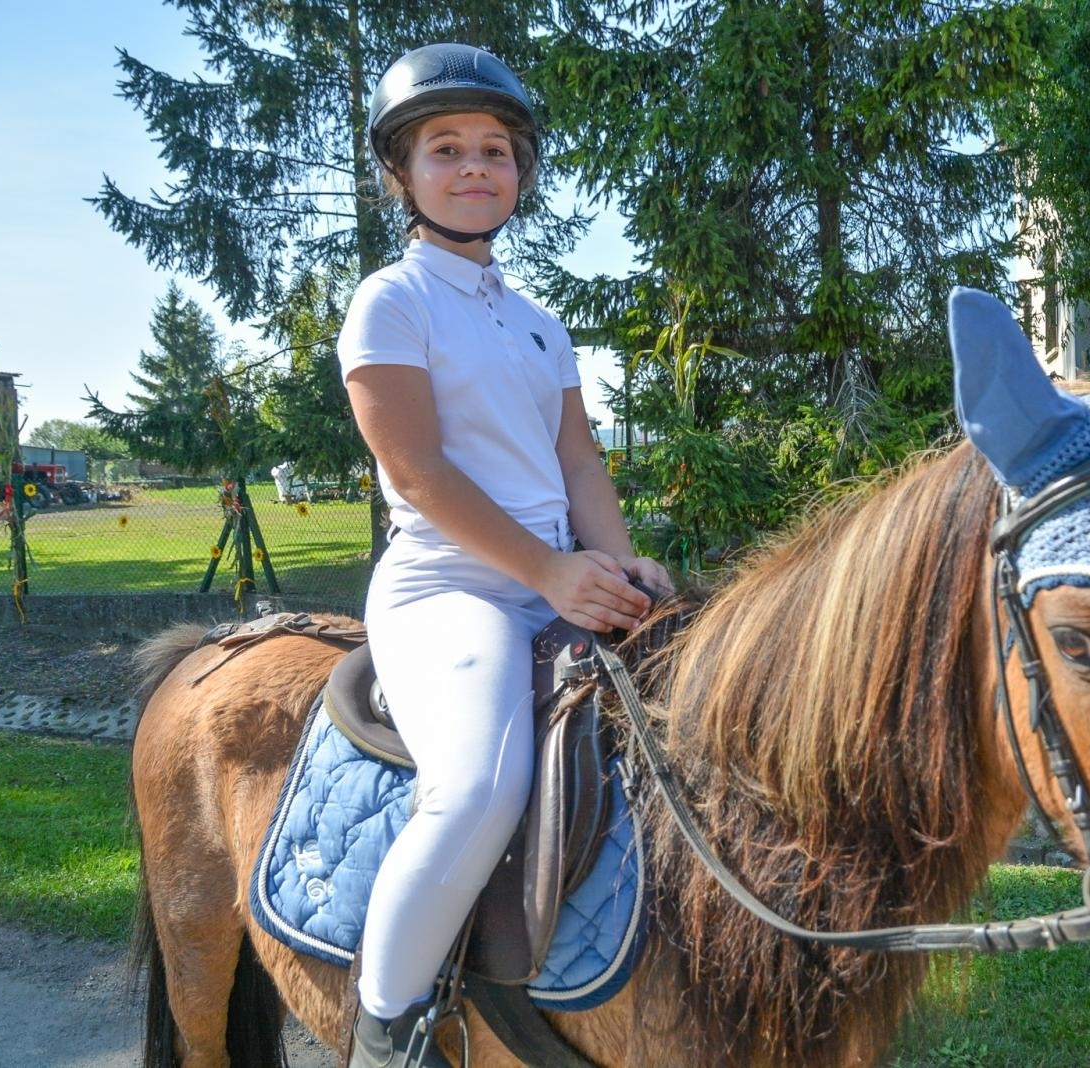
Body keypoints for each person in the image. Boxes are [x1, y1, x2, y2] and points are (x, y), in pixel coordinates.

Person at [337, 43, 671, 1067]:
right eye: (445, 149)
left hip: (557, 576)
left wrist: (620, 563)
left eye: (494, 149)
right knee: (479, 789)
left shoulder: (537, 324)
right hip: (450, 589)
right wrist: (550, 572)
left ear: (518, 173)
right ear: (402, 174)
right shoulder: (391, 301)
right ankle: (384, 1034)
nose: (474, 166)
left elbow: (577, 460)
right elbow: (418, 472)